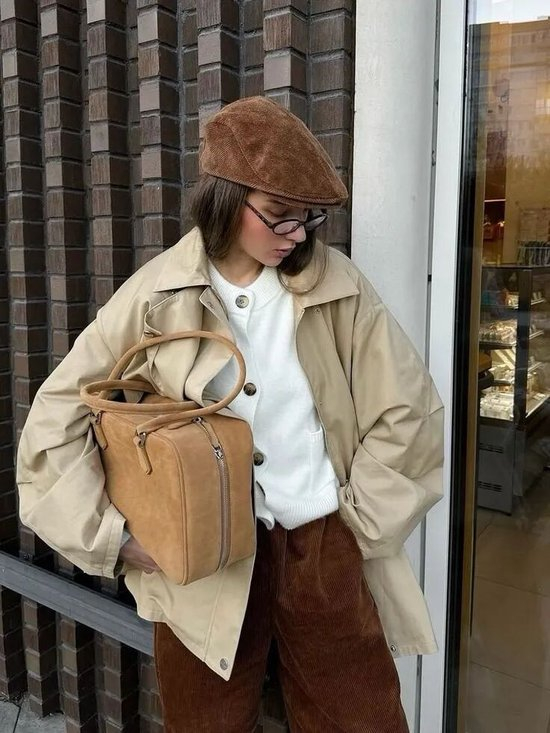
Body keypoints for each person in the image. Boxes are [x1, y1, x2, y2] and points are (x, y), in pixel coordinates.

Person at [17, 96, 444, 732]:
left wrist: (357, 527)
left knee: (361, 719)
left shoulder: (339, 287)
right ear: (225, 199)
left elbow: (410, 411)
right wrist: (113, 537)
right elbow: (58, 414)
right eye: (280, 216)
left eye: (308, 218)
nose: (298, 235)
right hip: (202, 563)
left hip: (321, 547)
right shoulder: (157, 294)